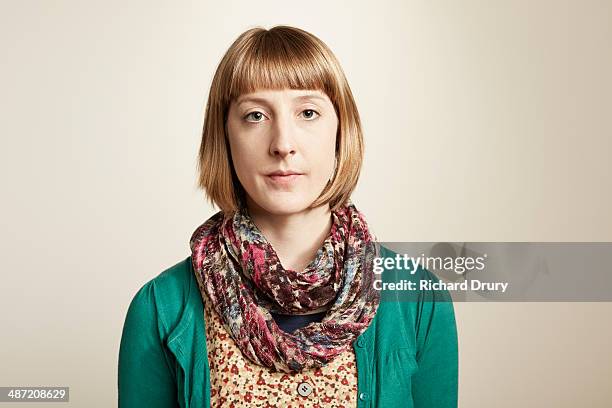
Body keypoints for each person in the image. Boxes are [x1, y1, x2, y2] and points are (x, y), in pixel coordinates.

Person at [118, 25, 458, 407]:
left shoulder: (419, 300)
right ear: (224, 137)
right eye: (256, 115)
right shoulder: (161, 307)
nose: (282, 144)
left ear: (340, 131)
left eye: (308, 112)